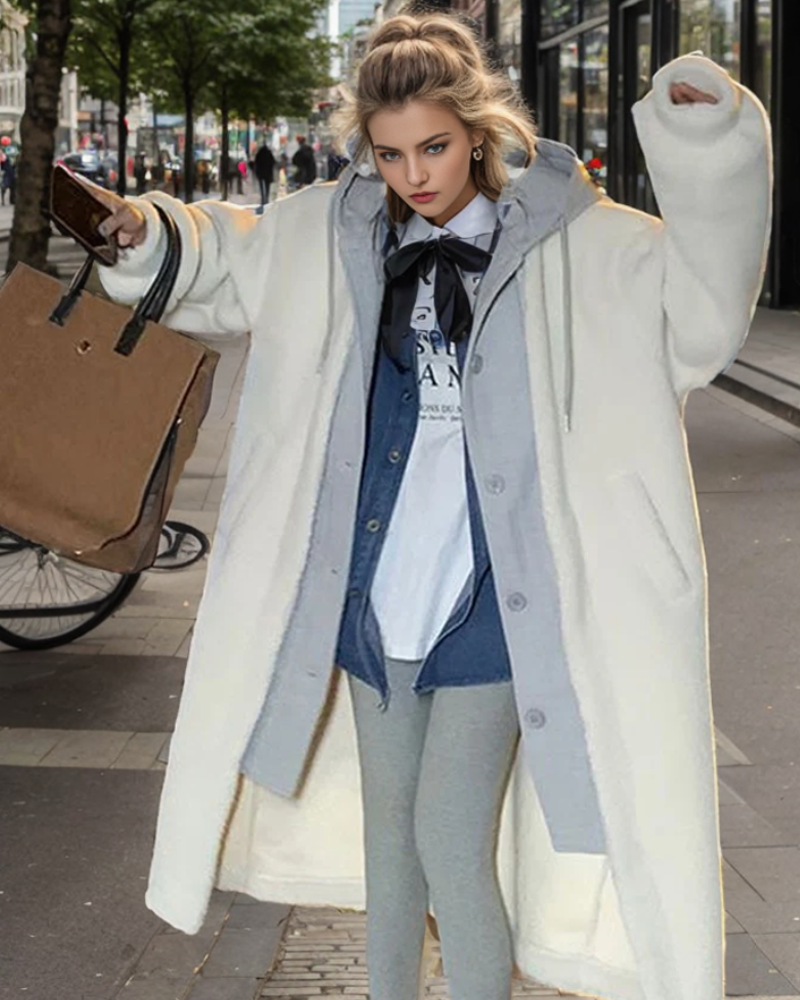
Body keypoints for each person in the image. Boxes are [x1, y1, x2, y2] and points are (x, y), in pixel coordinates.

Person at [88, 12, 771, 1000]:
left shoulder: (582, 245)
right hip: (374, 598)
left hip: (495, 604)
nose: (414, 174)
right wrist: (144, 232)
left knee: (448, 839)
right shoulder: (335, 235)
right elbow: (221, 256)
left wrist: (703, 146)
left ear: (479, 130)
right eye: (391, 153)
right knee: (391, 850)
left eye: (436, 147)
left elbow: (703, 313)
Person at [254, 141, 276, 208]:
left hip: (260, 172)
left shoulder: (259, 153)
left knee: (261, 186)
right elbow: (273, 162)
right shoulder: (269, 153)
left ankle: (263, 199)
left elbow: (256, 162)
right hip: (268, 172)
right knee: (267, 186)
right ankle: (266, 198)